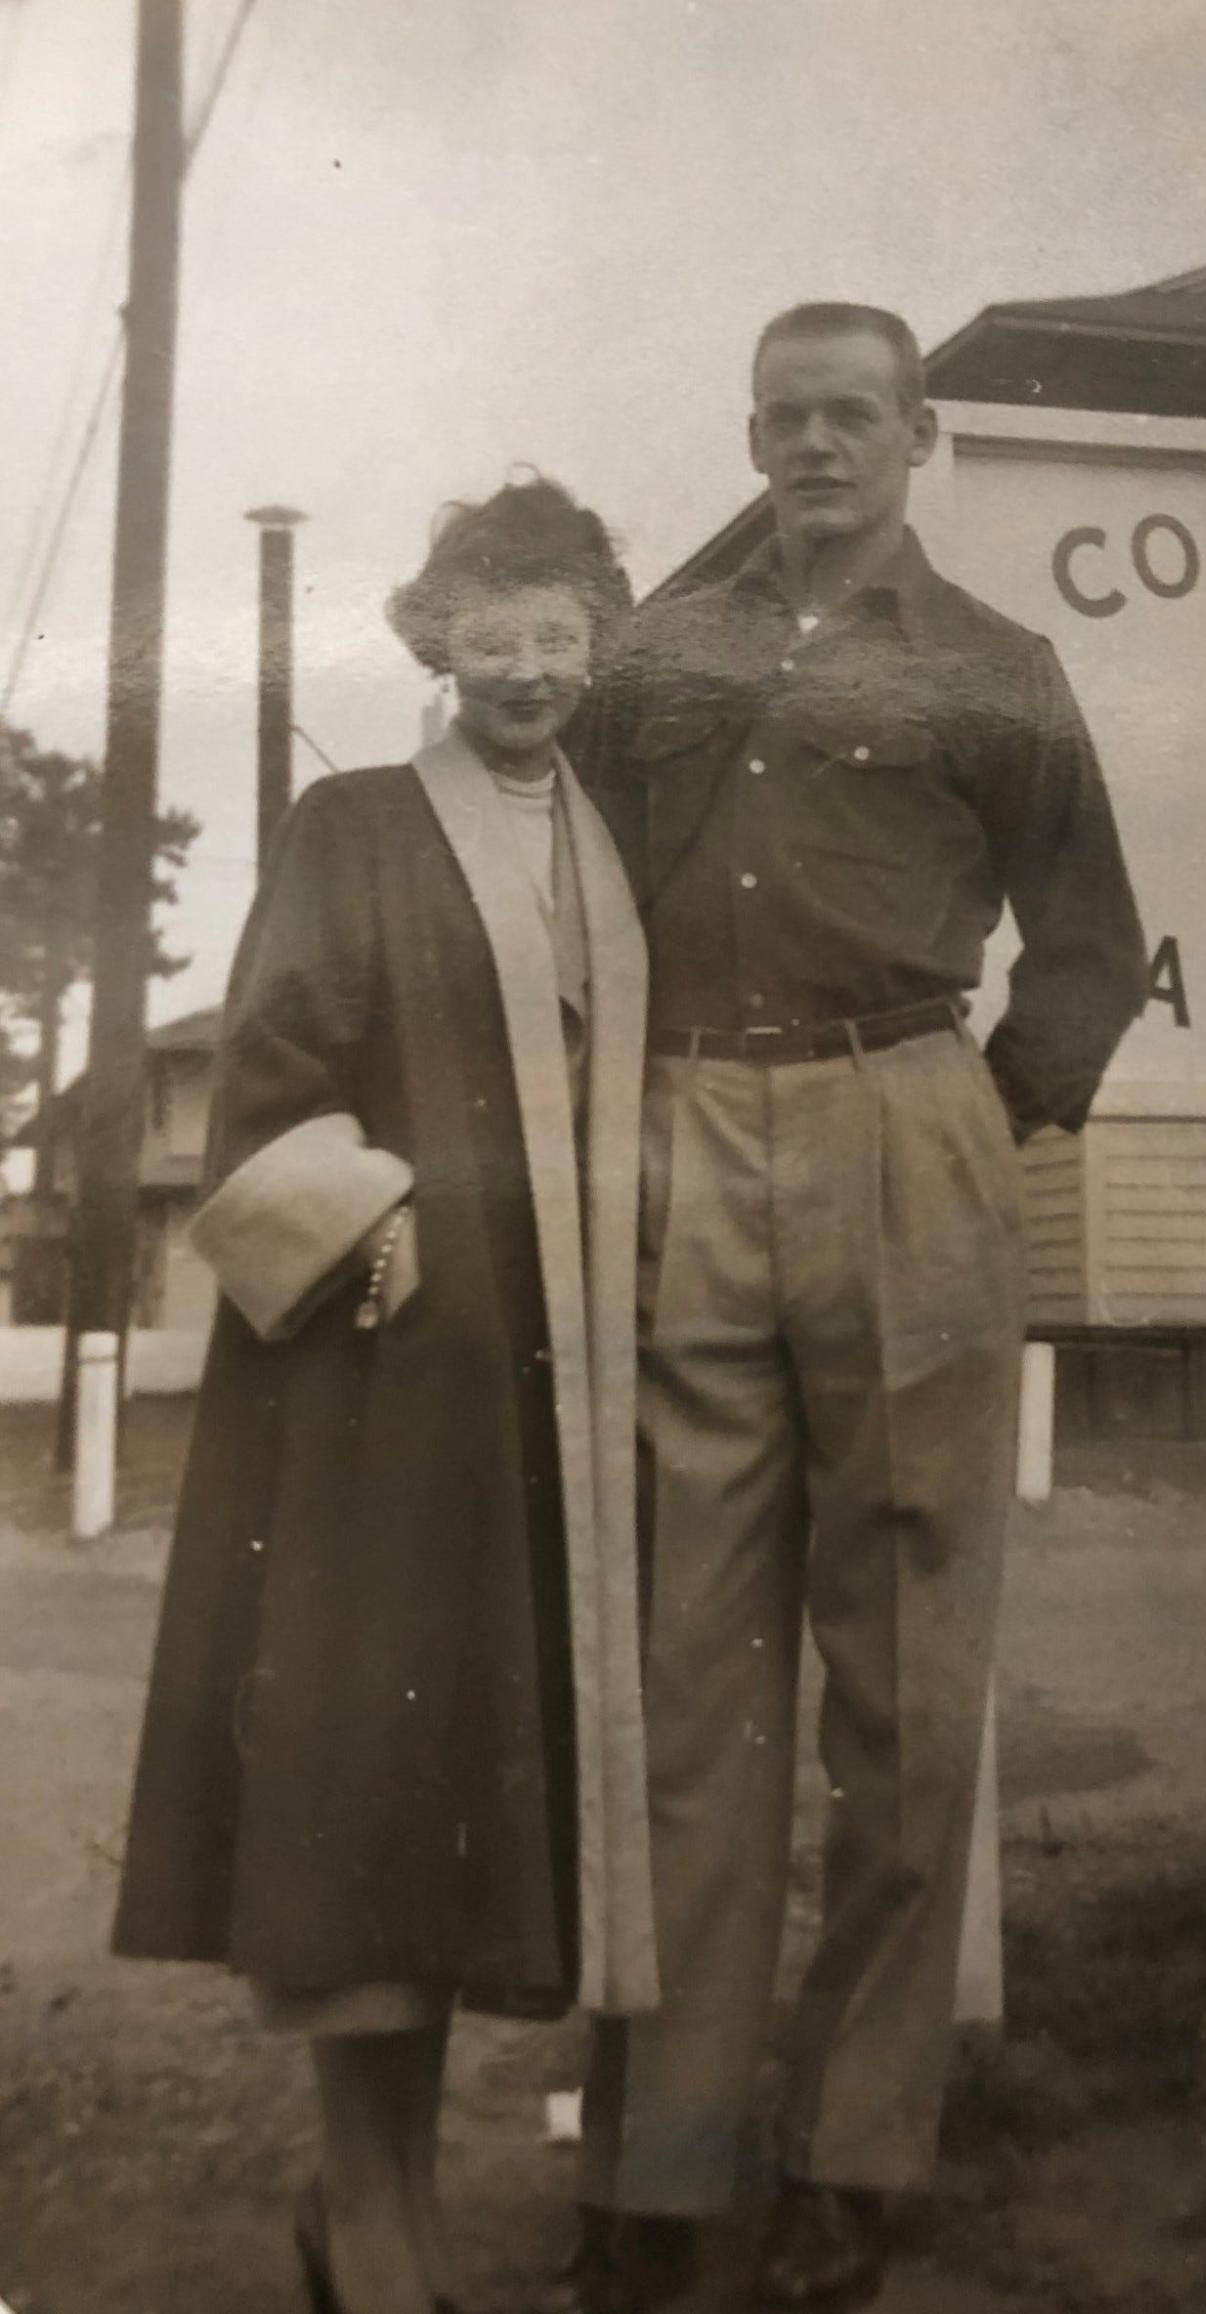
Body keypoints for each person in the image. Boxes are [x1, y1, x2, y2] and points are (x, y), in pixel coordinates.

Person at [565, 305, 1148, 2313]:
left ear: (917, 434)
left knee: (902, 1684)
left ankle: (856, 2149)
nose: (818, 445)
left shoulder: (995, 667)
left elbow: (1088, 936)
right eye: (784, 418)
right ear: (750, 436)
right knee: (688, 1677)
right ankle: (668, 2156)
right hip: (683, 1133)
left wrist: (974, 1122)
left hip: (908, 1115)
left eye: (853, 416)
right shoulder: (659, 654)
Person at [112, 477, 658, 2314]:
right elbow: (269, 1077)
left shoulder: (611, 839)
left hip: (559, 1396)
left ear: (600, 639)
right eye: (492, 632)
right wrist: (371, 1206)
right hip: (387, 1373)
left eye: (561, 630)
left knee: (467, 1813)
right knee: (371, 1799)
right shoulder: (353, 823)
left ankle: (388, 2219)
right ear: (433, 641)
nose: (529, 666)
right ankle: (369, 2216)